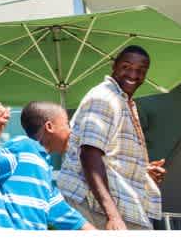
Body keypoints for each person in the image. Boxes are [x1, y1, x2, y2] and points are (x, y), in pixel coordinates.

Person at [56, 45, 166, 230]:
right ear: (114, 66)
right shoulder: (105, 98)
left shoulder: (122, 100)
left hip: (120, 204)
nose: (133, 74)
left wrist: (142, 172)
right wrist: (113, 215)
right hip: (97, 208)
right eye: (126, 67)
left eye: (141, 70)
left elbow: (108, 155)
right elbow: (89, 154)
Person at [0, 101, 95, 231]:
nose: (70, 131)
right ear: (49, 126)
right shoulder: (23, 147)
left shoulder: (45, 170)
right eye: (67, 124)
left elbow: (65, 214)